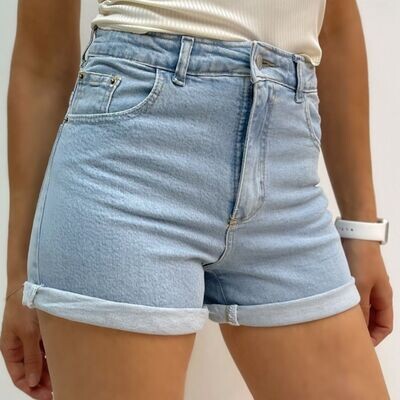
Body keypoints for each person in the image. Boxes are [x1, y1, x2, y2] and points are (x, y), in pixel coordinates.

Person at [0, 1, 393, 399]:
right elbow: (42, 62)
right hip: (129, 170)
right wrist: (20, 279)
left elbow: (335, 27)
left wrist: (362, 228)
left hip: (287, 175)